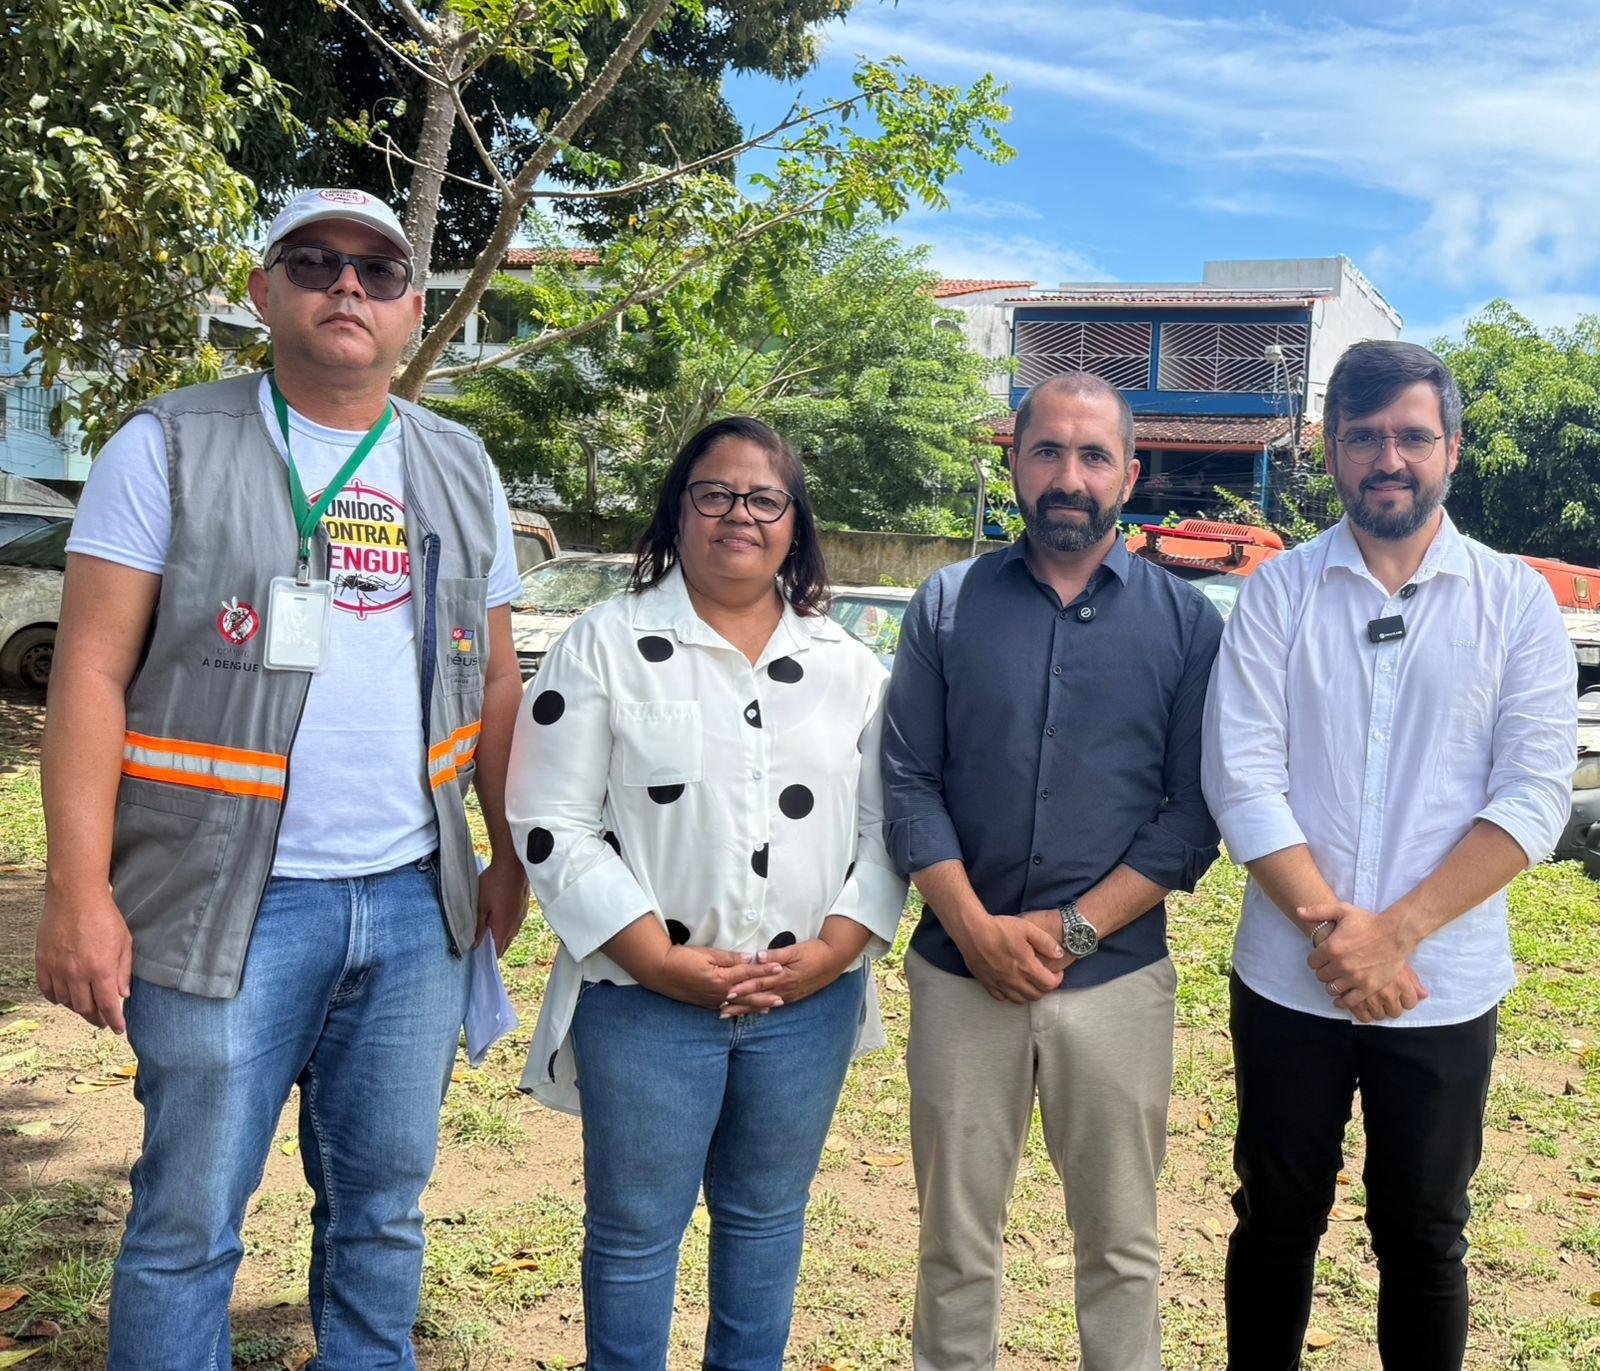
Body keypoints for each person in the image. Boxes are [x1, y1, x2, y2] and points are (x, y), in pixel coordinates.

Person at [34, 188, 529, 1368]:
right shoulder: (166, 446)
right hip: (222, 908)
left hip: (414, 904)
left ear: (415, 310)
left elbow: (498, 684)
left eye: (377, 269)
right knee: (189, 1226)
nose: (345, 287)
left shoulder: (460, 467)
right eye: (313, 263)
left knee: (382, 1220)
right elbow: (89, 676)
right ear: (264, 294)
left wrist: (509, 854)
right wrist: (76, 892)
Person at [1202, 339, 1577, 1370]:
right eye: (1363, 437)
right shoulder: (1277, 596)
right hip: (1287, 981)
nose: (1388, 458)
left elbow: (1534, 791)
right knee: (1274, 1219)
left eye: (1411, 435)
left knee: (1423, 1232)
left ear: (1451, 450)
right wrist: (1338, 935)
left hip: (1440, 986)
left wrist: (1394, 937)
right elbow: (1241, 775)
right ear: (1330, 451)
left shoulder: (1515, 605)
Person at [506, 416, 907, 1371]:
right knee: (635, 1236)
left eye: (765, 498)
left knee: (767, 1222)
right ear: (679, 510)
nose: (740, 514)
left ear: (795, 522)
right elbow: (549, 818)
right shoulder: (604, 643)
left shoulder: (848, 666)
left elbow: (890, 828)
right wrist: (653, 956)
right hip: (645, 1003)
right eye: (715, 493)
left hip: (805, 1004)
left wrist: (838, 949)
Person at [882, 372, 1224, 1371]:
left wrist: (1072, 931)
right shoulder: (946, 606)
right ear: (1014, 462)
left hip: (1114, 982)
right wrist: (979, 929)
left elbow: (1189, 815)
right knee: (954, 1245)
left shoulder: (1187, 626)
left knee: (1120, 1248)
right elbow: (908, 784)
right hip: (959, 974)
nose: (1067, 477)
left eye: (1091, 456)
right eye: (1047, 452)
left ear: (1128, 471)